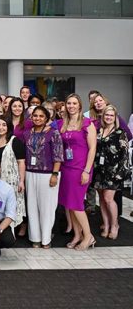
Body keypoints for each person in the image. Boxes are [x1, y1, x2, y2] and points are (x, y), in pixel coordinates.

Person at [58, 93, 97, 251]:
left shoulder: (88, 123)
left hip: (81, 168)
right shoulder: (62, 123)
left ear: (80, 106)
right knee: (69, 204)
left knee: (77, 204)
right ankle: (77, 235)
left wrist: (86, 171)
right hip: (66, 167)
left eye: (74, 103)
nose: (71, 106)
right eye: (69, 103)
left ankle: (88, 236)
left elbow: (93, 148)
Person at [23, 106, 63, 248]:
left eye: (41, 116)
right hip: (30, 173)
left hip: (48, 174)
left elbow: (58, 155)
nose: (38, 118)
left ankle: (46, 239)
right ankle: (35, 238)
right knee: (32, 207)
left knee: (47, 208)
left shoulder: (53, 133)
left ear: (46, 118)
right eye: (35, 116)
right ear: (31, 117)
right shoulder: (27, 133)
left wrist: (54, 174)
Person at [94, 105, 129, 240]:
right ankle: (106, 224)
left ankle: (115, 225)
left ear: (115, 117)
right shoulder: (99, 131)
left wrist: (121, 172)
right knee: (102, 200)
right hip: (99, 170)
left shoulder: (120, 133)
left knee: (109, 199)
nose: (108, 117)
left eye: (111, 115)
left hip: (113, 171)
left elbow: (125, 155)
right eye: (106, 115)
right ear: (103, 117)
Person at [0, 116, 26, 230]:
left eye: (4, 125)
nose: (0, 127)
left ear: (8, 127)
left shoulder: (15, 141)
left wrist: (21, 181)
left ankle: (10, 230)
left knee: (10, 205)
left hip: (10, 182)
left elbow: (21, 162)